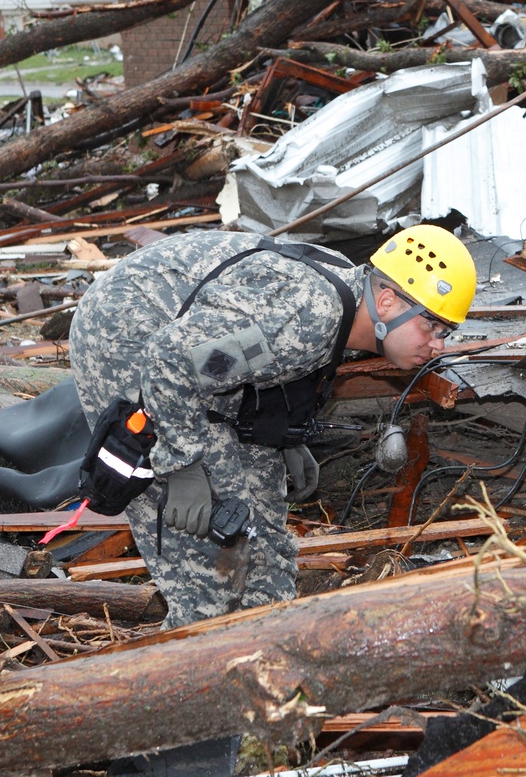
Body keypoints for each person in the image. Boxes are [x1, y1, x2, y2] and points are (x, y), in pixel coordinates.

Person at [69, 224, 476, 629]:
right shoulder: (307, 316)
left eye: (447, 332)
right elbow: (172, 363)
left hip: (189, 351)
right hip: (129, 332)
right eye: (430, 326)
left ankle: (261, 656)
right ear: (386, 301)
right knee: (214, 564)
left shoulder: (346, 307)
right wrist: (182, 468)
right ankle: (185, 663)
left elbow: (257, 365)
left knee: (266, 552)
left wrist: (285, 437)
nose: (438, 344)